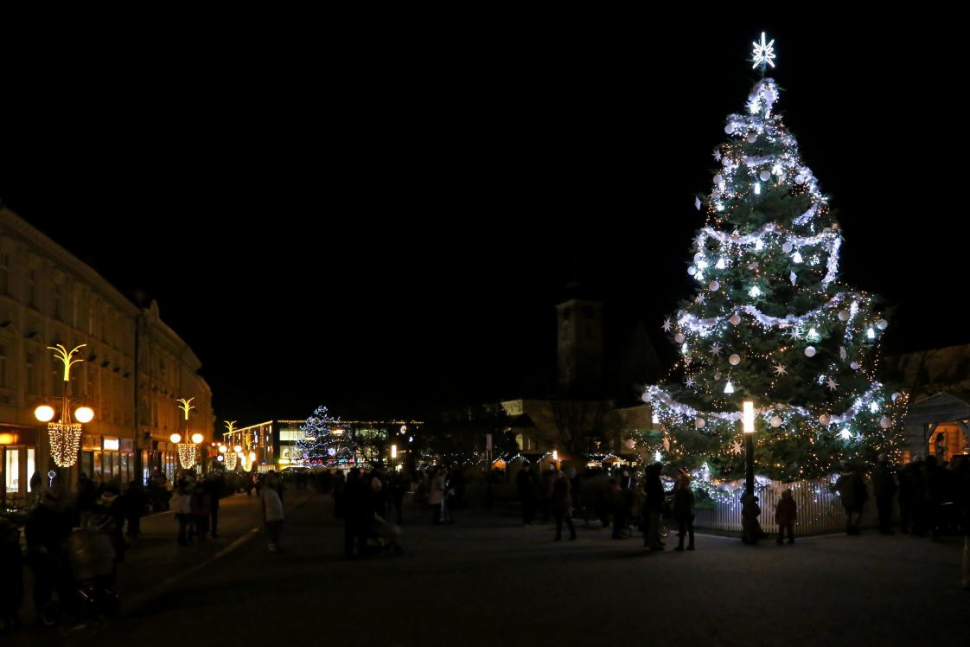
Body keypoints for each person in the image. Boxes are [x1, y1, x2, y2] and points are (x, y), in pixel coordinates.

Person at [0, 518, 24, 633]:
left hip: (9, 565)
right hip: (11, 565)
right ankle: (10, 617)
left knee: (9, 591)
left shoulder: (9, 535)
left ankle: (9, 617)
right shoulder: (10, 533)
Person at [872, 453, 897, 535]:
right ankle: (886, 529)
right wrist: (893, 489)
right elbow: (888, 481)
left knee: (881, 512)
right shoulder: (884, 469)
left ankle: (883, 529)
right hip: (885, 494)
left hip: (879, 493)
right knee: (886, 512)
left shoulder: (875, 468)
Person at [673, 467, 695, 551]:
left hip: (683, 512)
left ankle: (681, 545)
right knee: (690, 528)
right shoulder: (689, 490)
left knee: (682, 528)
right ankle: (691, 544)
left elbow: (679, 502)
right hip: (690, 512)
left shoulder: (682, 491)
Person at [643, 463, 665, 551]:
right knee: (654, 525)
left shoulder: (650, 478)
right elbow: (658, 492)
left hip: (651, 504)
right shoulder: (654, 479)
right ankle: (653, 544)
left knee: (652, 525)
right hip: (655, 505)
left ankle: (651, 542)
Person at [262, 472, 284, 552]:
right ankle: (273, 546)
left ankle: (275, 545)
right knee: (274, 531)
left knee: (275, 531)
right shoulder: (269, 492)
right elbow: (271, 503)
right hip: (273, 515)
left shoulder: (271, 491)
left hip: (274, 514)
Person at [552, 470, 576, 541]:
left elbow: (565, 493)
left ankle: (573, 535)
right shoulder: (557, 482)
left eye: (558, 474)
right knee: (559, 521)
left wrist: (557, 496)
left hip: (564, 503)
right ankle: (559, 536)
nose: (557, 476)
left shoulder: (565, 482)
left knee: (567, 520)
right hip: (560, 503)